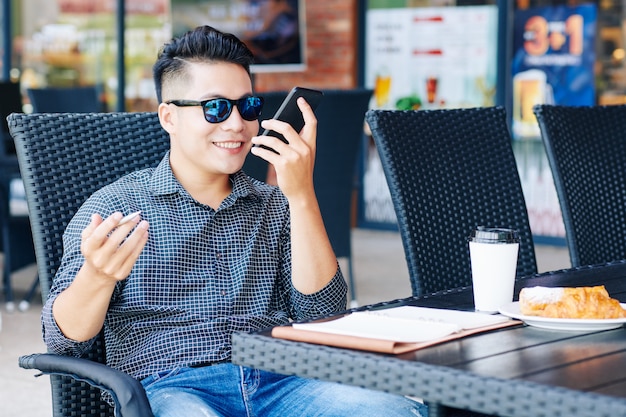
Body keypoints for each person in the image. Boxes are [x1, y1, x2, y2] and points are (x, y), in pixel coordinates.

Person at [41, 25, 427, 417]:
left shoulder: (273, 204)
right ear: (169, 117)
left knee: (401, 411)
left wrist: (302, 195)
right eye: (216, 107)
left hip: (284, 381)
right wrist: (97, 277)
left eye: (248, 106)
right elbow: (62, 343)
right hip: (174, 386)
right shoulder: (116, 208)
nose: (236, 124)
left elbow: (322, 314)